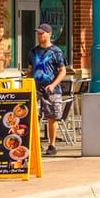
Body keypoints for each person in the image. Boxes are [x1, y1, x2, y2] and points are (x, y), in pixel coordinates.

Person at [27, 23, 68, 156]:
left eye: (42, 33)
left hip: (52, 91)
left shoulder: (56, 51)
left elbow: (63, 71)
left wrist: (53, 85)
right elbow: (30, 70)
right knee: (34, 117)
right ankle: (36, 144)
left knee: (52, 118)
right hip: (36, 89)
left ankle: (52, 145)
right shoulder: (33, 52)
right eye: (38, 33)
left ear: (49, 34)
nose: (39, 36)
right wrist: (28, 83)